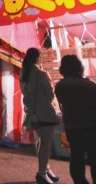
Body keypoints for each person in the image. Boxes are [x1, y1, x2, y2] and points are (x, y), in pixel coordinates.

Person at [19, 48, 60, 184]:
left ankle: (45, 168)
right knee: (45, 144)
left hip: (33, 113)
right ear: (38, 58)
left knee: (40, 141)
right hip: (45, 113)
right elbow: (50, 95)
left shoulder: (23, 74)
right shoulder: (42, 74)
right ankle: (42, 172)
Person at [55, 54, 96, 184]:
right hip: (91, 126)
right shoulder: (89, 85)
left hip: (72, 127)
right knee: (94, 157)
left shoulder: (60, 86)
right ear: (79, 67)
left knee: (76, 157)